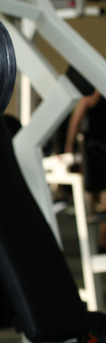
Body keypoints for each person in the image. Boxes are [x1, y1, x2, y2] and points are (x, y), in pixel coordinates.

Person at [66, 90, 106, 250]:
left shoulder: (95, 94)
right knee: (95, 198)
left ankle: (101, 241)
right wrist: (69, 147)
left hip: (98, 150)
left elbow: (75, 122)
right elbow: (76, 121)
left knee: (100, 199)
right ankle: (98, 241)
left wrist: (69, 146)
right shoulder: (94, 94)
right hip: (94, 150)